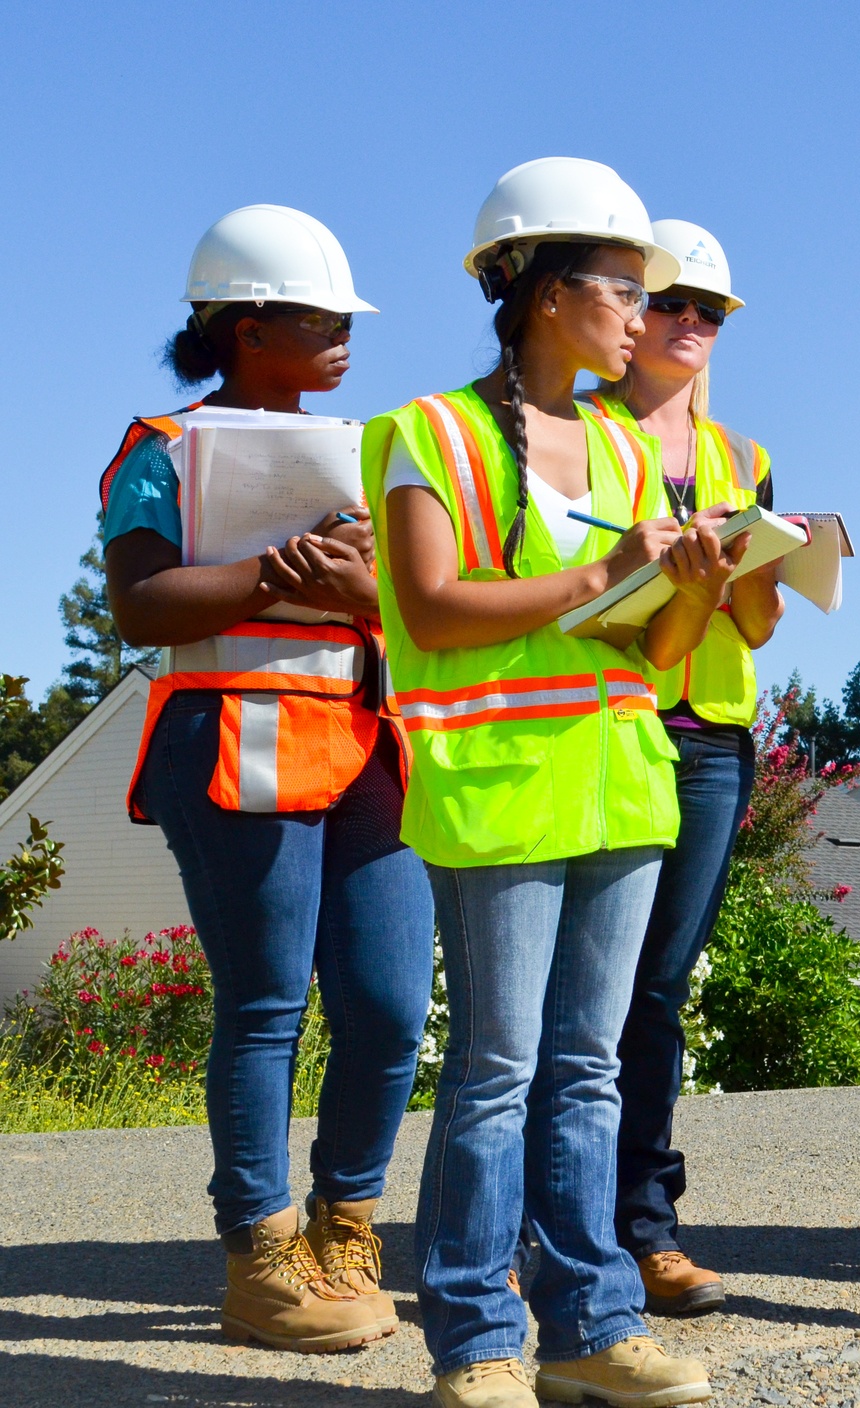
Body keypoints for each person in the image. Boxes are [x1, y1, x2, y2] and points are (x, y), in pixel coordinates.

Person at [364, 157, 732, 1408]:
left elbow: (658, 656)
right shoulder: (427, 433)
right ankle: (474, 1343)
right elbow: (428, 604)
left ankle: (589, 1329)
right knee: (496, 1071)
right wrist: (596, 575)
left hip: (623, 787)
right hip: (496, 786)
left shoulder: (632, 450)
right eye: (621, 288)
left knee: (588, 1069)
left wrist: (693, 591)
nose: (644, 313)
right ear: (533, 288)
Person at [101, 205, 432, 1352]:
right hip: (232, 740)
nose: (345, 334)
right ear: (247, 327)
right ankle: (261, 1253)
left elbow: (423, 609)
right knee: (265, 1004)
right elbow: (140, 603)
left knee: (390, 1005)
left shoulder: (378, 450)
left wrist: (360, 593)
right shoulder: (165, 445)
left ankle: (347, 1225)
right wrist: (274, 571)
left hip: (368, 742)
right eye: (321, 315)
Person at [587, 219, 780, 1316]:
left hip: (709, 737)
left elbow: (754, 626)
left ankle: (646, 1230)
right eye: (674, 304)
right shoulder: (568, 436)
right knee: (583, 994)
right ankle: (547, 1227)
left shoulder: (742, 457)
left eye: (712, 311)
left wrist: (754, 553)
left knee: (653, 995)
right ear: (629, 312)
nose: (694, 324)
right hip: (607, 720)